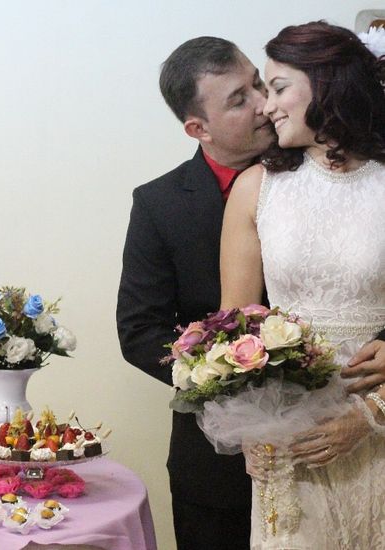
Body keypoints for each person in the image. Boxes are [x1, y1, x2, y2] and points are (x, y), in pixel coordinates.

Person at [220, 21, 385, 549]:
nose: (266, 106)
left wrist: (371, 416)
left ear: (328, 81)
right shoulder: (256, 188)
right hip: (290, 437)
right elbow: (235, 329)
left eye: (279, 87)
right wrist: (251, 428)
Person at [117, 36, 274, 549]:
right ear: (197, 128)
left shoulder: (329, 171)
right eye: (238, 99)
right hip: (216, 458)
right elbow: (140, 330)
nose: (262, 102)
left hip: (337, 438)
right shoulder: (160, 203)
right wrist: (219, 378)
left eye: (258, 83)